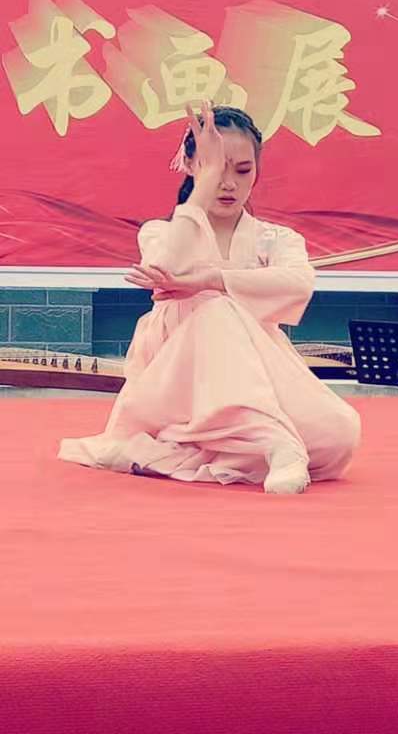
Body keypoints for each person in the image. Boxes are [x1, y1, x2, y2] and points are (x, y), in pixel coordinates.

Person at [58, 101, 361, 494]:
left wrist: (212, 278)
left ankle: (201, 449)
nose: (228, 183)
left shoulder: (276, 238)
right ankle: (273, 442)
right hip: (175, 374)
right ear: (189, 165)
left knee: (338, 435)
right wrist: (202, 188)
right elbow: (165, 265)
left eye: (242, 170)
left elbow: (298, 283)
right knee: (215, 309)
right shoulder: (160, 232)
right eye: (215, 168)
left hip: (257, 364)